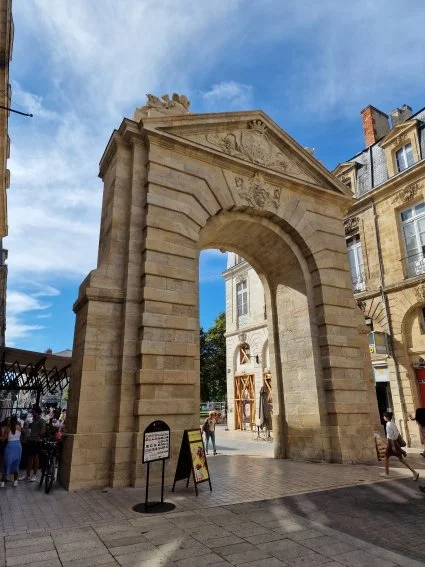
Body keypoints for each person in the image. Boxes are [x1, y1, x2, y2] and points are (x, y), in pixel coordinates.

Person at [380, 411, 419, 480]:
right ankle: (414, 472)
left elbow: (391, 437)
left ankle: (387, 473)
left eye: (384, 416)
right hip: (394, 444)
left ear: (387, 417)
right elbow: (396, 434)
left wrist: (391, 445)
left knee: (387, 456)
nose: (383, 417)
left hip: (391, 444)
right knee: (398, 458)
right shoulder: (392, 424)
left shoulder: (388, 425)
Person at [24, 406, 45, 481]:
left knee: (36, 458)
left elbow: (43, 430)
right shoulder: (33, 420)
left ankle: (35, 475)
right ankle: (27, 475)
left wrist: (38, 436)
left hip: (36, 441)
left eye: (33, 412)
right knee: (29, 458)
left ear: (37, 412)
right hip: (31, 441)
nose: (32, 413)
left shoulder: (41, 420)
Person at [0, 416, 22, 488]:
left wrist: (1, 437)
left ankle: (2, 482)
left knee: (6, 464)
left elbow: (3, 439)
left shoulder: (7, 428)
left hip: (10, 447)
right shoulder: (19, 427)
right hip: (18, 447)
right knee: (16, 464)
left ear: (10, 421)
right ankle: (15, 481)